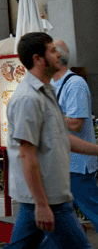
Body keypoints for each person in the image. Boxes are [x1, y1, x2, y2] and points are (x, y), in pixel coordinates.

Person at [3, 33, 98, 248]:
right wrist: (42, 204)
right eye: (52, 50)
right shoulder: (28, 98)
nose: (59, 55)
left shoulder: (46, 92)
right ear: (38, 59)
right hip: (48, 197)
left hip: (49, 195)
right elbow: (27, 154)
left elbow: (62, 138)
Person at [49, 39, 98, 235]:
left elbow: (75, 124)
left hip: (76, 163)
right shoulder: (52, 83)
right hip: (61, 162)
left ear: (57, 57)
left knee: (92, 209)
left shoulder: (75, 84)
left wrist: (46, 114)